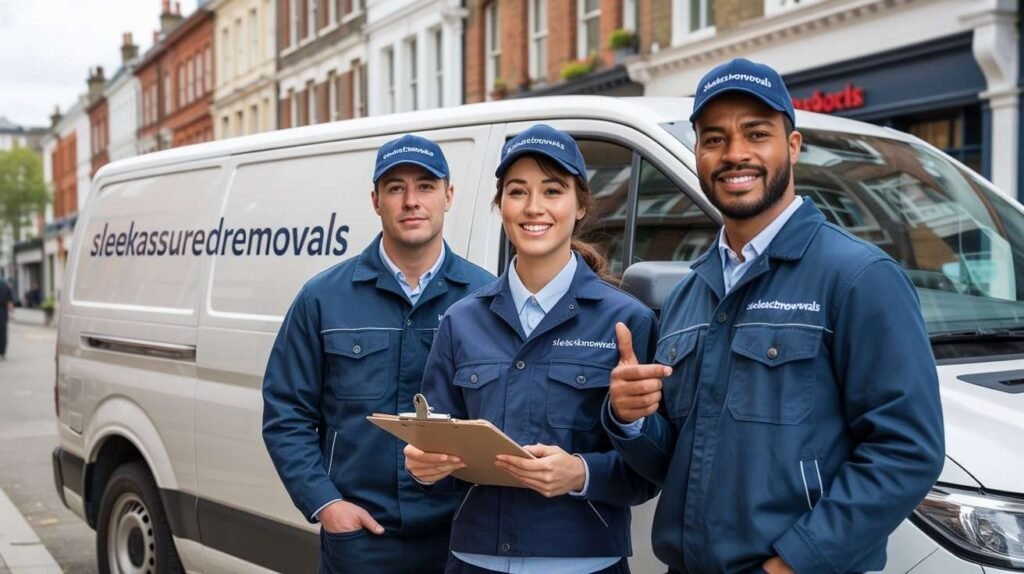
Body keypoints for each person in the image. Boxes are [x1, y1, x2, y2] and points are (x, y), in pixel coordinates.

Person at [604, 58, 945, 574]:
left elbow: (906, 451)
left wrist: (792, 563)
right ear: (698, 153)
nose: (734, 154)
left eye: (756, 133)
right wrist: (629, 420)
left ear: (792, 146)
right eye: (714, 139)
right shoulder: (690, 293)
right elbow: (673, 462)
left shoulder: (857, 277)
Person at [405, 125, 660, 574]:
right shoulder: (461, 321)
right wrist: (423, 466)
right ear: (500, 205)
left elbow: (651, 470)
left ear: (580, 205)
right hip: (473, 560)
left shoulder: (627, 322)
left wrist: (580, 474)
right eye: (518, 191)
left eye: (552, 190)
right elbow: (436, 443)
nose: (534, 207)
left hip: (584, 564)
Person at [262, 134, 495, 574]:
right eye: (395, 188)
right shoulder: (322, 299)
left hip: (462, 537)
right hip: (362, 539)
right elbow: (286, 414)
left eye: (426, 186)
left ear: (448, 196)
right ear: (375, 200)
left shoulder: (487, 298)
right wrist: (327, 504)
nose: (411, 200)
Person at [0, 278, 12, 360]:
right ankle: (2, 353)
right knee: (2, 332)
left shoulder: (5, 284)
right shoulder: (5, 284)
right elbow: (10, 300)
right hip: (3, 311)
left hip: (3, 309)